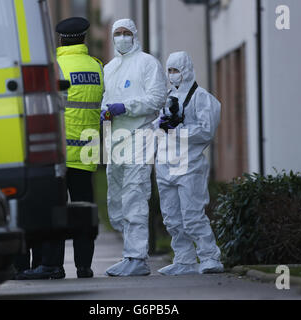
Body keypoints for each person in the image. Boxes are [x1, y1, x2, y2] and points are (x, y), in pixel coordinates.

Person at [16, 17, 103, 280]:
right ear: (84, 38)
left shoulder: (56, 67)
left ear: (61, 39)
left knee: (54, 211)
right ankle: (84, 267)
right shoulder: (98, 67)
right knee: (84, 210)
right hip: (87, 153)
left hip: (60, 153)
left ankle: (52, 265)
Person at [101, 18, 167, 276]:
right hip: (116, 138)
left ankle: (138, 257)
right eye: (117, 33)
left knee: (135, 192)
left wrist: (127, 108)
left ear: (135, 35)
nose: (121, 37)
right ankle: (129, 254)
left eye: (126, 33)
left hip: (139, 134)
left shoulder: (147, 63)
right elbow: (106, 99)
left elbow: (156, 98)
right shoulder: (110, 68)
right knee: (118, 194)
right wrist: (104, 112)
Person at [155, 51, 224, 275]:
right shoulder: (167, 97)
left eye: (177, 70)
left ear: (186, 70)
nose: (173, 75)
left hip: (189, 165)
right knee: (172, 217)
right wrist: (161, 124)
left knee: (193, 215)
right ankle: (184, 260)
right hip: (165, 165)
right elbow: (156, 125)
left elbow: (206, 131)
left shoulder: (201, 98)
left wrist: (179, 130)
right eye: (170, 71)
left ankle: (209, 257)